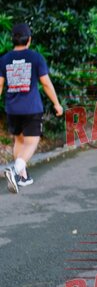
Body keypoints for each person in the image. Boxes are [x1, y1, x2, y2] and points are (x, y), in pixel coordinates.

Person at [0, 22, 63, 193]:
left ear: (13, 39)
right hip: (31, 108)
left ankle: (22, 177)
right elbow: (46, 83)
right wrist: (56, 104)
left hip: (12, 109)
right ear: (29, 39)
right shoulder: (36, 58)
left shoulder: (4, 59)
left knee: (19, 140)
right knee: (32, 142)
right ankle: (15, 171)